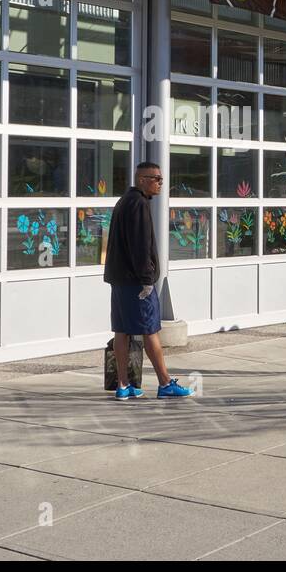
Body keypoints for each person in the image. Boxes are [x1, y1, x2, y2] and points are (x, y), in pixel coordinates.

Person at [103, 162, 191, 400]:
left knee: (121, 331)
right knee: (150, 330)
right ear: (142, 179)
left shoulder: (123, 202)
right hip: (136, 283)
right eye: (157, 178)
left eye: (161, 179)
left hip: (119, 280)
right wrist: (147, 280)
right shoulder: (139, 204)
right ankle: (165, 383)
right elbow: (140, 247)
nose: (161, 183)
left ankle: (123, 385)